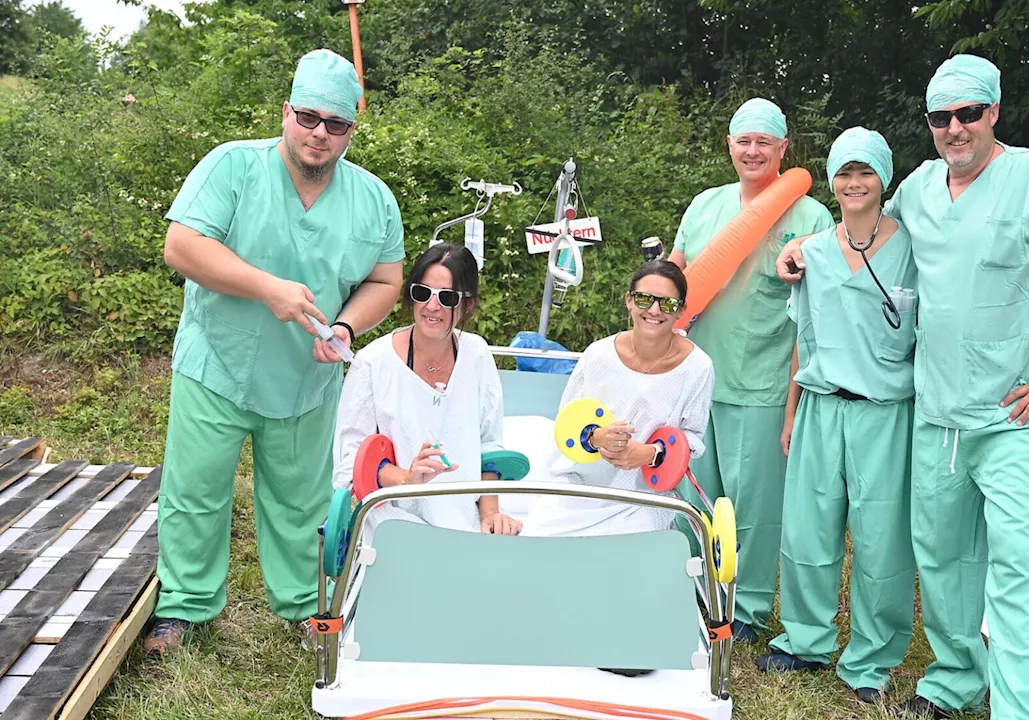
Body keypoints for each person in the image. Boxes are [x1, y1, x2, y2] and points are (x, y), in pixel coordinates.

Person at [777, 55, 1029, 720]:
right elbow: (864, 226)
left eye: (969, 113)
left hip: (1018, 414)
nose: (956, 128)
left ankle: (1019, 709)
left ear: (995, 111)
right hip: (938, 415)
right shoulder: (917, 190)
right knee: (941, 559)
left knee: (1017, 562)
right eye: (941, 117)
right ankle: (954, 681)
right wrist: (802, 251)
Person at [146, 49, 406, 655]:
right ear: (286, 111)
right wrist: (267, 287)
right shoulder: (234, 166)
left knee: (303, 501)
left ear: (351, 130)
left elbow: (386, 282)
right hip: (219, 363)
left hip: (307, 379)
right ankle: (183, 607)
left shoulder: (374, 199)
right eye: (309, 117)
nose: (319, 134)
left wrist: (344, 327)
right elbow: (182, 246)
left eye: (336, 124)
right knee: (196, 490)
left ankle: (304, 604)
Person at [753, 128, 917, 706]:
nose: (853, 183)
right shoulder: (813, 252)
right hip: (822, 408)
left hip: (885, 415)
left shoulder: (914, 251)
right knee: (807, 531)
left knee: (881, 541)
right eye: (844, 173)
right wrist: (793, 411)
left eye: (864, 172)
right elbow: (806, 336)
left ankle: (872, 657)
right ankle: (804, 640)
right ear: (831, 180)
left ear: (884, 178)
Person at [667, 98, 835, 642]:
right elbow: (676, 268)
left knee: (754, 507)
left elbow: (818, 311)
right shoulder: (705, 206)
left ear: (785, 148)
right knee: (691, 493)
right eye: (744, 140)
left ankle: (748, 607)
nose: (754, 150)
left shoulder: (810, 217)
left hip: (764, 383)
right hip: (695, 378)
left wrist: (794, 402)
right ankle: (687, 590)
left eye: (766, 141)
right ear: (730, 146)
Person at [332, 243, 521, 535]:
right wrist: (408, 478)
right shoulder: (373, 363)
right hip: (391, 520)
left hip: (464, 521)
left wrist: (491, 515)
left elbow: (489, 446)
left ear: (467, 304)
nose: (432, 307)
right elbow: (352, 463)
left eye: (446, 298)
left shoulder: (477, 355)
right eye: (422, 293)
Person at [520, 260, 714, 539]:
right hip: (581, 487)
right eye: (645, 299)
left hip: (644, 496)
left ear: (681, 310)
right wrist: (596, 438)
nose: (655, 310)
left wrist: (649, 453)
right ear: (629, 300)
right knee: (537, 535)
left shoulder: (697, 367)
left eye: (668, 304)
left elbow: (693, 437)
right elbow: (568, 421)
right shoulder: (598, 355)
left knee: (637, 548)